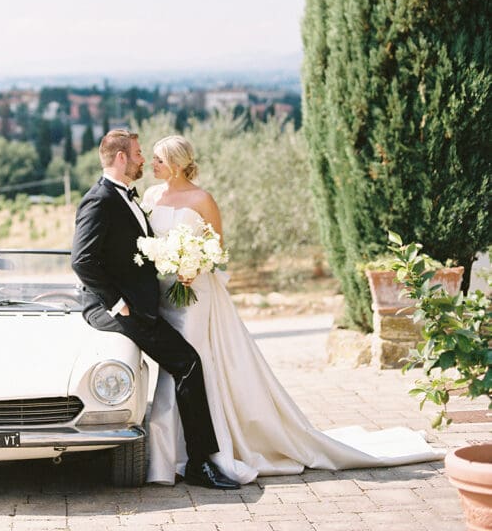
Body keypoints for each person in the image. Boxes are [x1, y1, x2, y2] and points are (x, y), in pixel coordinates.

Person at [143, 134, 443, 485]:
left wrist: (194, 265)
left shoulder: (202, 199)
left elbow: (217, 246)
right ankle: (178, 452)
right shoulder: (151, 197)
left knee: (188, 364)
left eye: (158, 159)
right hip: (165, 293)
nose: (152, 164)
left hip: (195, 294)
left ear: (176, 164)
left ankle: (182, 456)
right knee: (178, 364)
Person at [70, 128, 240, 490]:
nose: (143, 159)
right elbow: (82, 261)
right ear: (120, 158)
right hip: (121, 310)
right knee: (188, 363)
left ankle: (187, 459)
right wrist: (118, 304)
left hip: (148, 304)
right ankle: (198, 464)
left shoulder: (129, 197)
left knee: (185, 364)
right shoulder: (99, 200)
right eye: (138, 154)